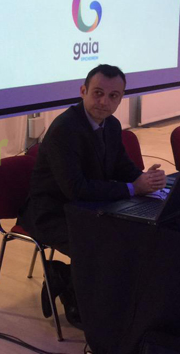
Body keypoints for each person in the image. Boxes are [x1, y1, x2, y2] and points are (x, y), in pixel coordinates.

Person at [17, 64, 166, 326]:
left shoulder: (111, 125)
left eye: (113, 96)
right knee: (107, 242)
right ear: (83, 91)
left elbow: (121, 166)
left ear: (121, 98)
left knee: (136, 232)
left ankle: (117, 299)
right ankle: (71, 286)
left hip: (89, 206)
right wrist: (133, 188)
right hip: (52, 212)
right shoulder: (65, 129)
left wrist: (146, 181)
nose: (104, 101)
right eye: (98, 93)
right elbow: (75, 189)